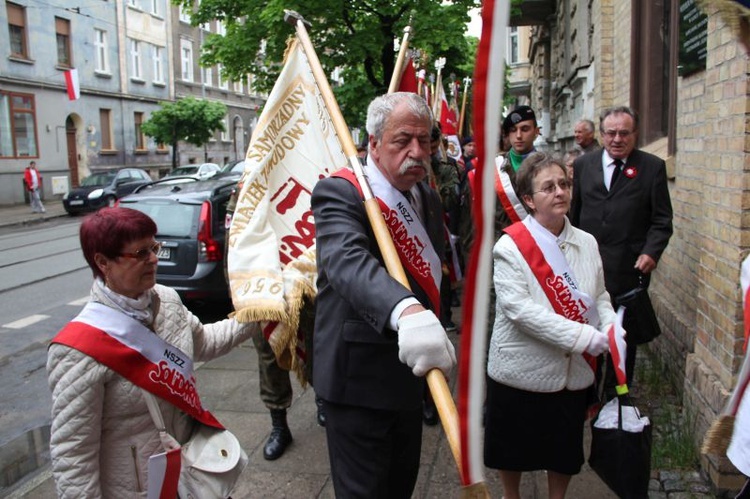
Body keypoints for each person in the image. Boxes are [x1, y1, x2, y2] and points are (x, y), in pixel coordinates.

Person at [46, 207, 259, 497]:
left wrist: (258, 314)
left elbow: (205, 342)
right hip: (137, 488)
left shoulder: (167, 301)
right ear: (103, 262)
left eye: (154, 247)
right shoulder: (77, 349)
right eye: (140, 253)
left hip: (190, 472)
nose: (154, 259)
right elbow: (73, 454)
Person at [310, 92, 456, 498]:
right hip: (357, 381)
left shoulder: (425, 195)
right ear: (373, 143)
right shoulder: (340, 192)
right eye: (402, 140)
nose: (417, 151)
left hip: (410, 372)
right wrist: (406, 310)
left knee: (399, 486)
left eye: (425, 140)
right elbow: (346, 261)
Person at [485, 152, 616, 499]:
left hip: (571, 374)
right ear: (529, 199)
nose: (560, 192)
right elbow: (520, 311)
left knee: (564, 448)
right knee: (511, 448)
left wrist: (613, 325)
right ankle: (510, 496)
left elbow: (599, 294)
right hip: (520, 369)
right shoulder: (510, 246)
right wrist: (583, 335)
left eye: (564, 184)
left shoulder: (586, 242)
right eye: (548, 187)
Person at [570, 106, 673, 386]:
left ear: (635, 134)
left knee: (622, 337)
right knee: (588, 332)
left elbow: (662, 220)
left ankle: (618, 396)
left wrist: (651, 251)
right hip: (588, 269)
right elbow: (574, 215)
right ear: (601, 134)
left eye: (624, 133)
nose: (617, 139)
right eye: (611, 133)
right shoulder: (583, 166)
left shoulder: (652, 167)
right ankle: (588, 391)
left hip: (628, 270)